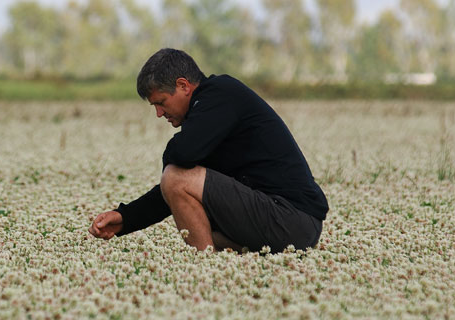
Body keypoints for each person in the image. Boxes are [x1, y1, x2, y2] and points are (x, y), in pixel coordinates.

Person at [88, 48, 328, 252]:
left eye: (161, 103)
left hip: (291, 219)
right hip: (288, 224)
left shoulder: (219, 95)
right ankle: (216, 264)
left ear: (183, 86)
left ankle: (205, 272)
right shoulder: (211, 114)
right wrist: (126, 218)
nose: (159, 114)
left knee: (176, 178)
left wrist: (175, 149)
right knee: (199, 226)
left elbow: (179, 165)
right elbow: (173, 188)